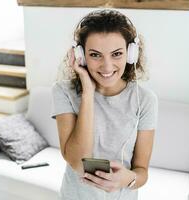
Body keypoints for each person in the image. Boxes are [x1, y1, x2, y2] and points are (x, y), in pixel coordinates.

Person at [51, 9, 158, 200]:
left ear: (131, 53)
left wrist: (128, 178)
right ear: (81, 56)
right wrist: (88, 92)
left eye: (116, 54)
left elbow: (142, 171)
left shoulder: (145, 100)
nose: (107, 66)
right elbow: (77, 161)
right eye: (95, 55)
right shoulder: (63, 92)